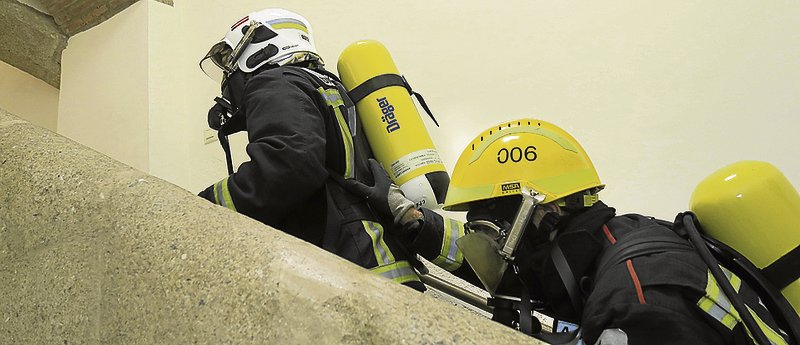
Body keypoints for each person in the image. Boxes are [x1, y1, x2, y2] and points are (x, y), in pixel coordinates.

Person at [347, 118, 789, 344]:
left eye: (491, 232)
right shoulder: (624, 242)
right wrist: (417, 225)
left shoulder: (634, 303)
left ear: (538, 214)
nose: (497, 253)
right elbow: (518, 277)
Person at [197, 8, 423, 290]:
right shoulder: (327, 86)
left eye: (231, 62)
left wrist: (205, 207)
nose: (228, 77)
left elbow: (290, 164)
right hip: (383, 263)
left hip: (347, 272)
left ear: (259, 49)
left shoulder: (275, 82)